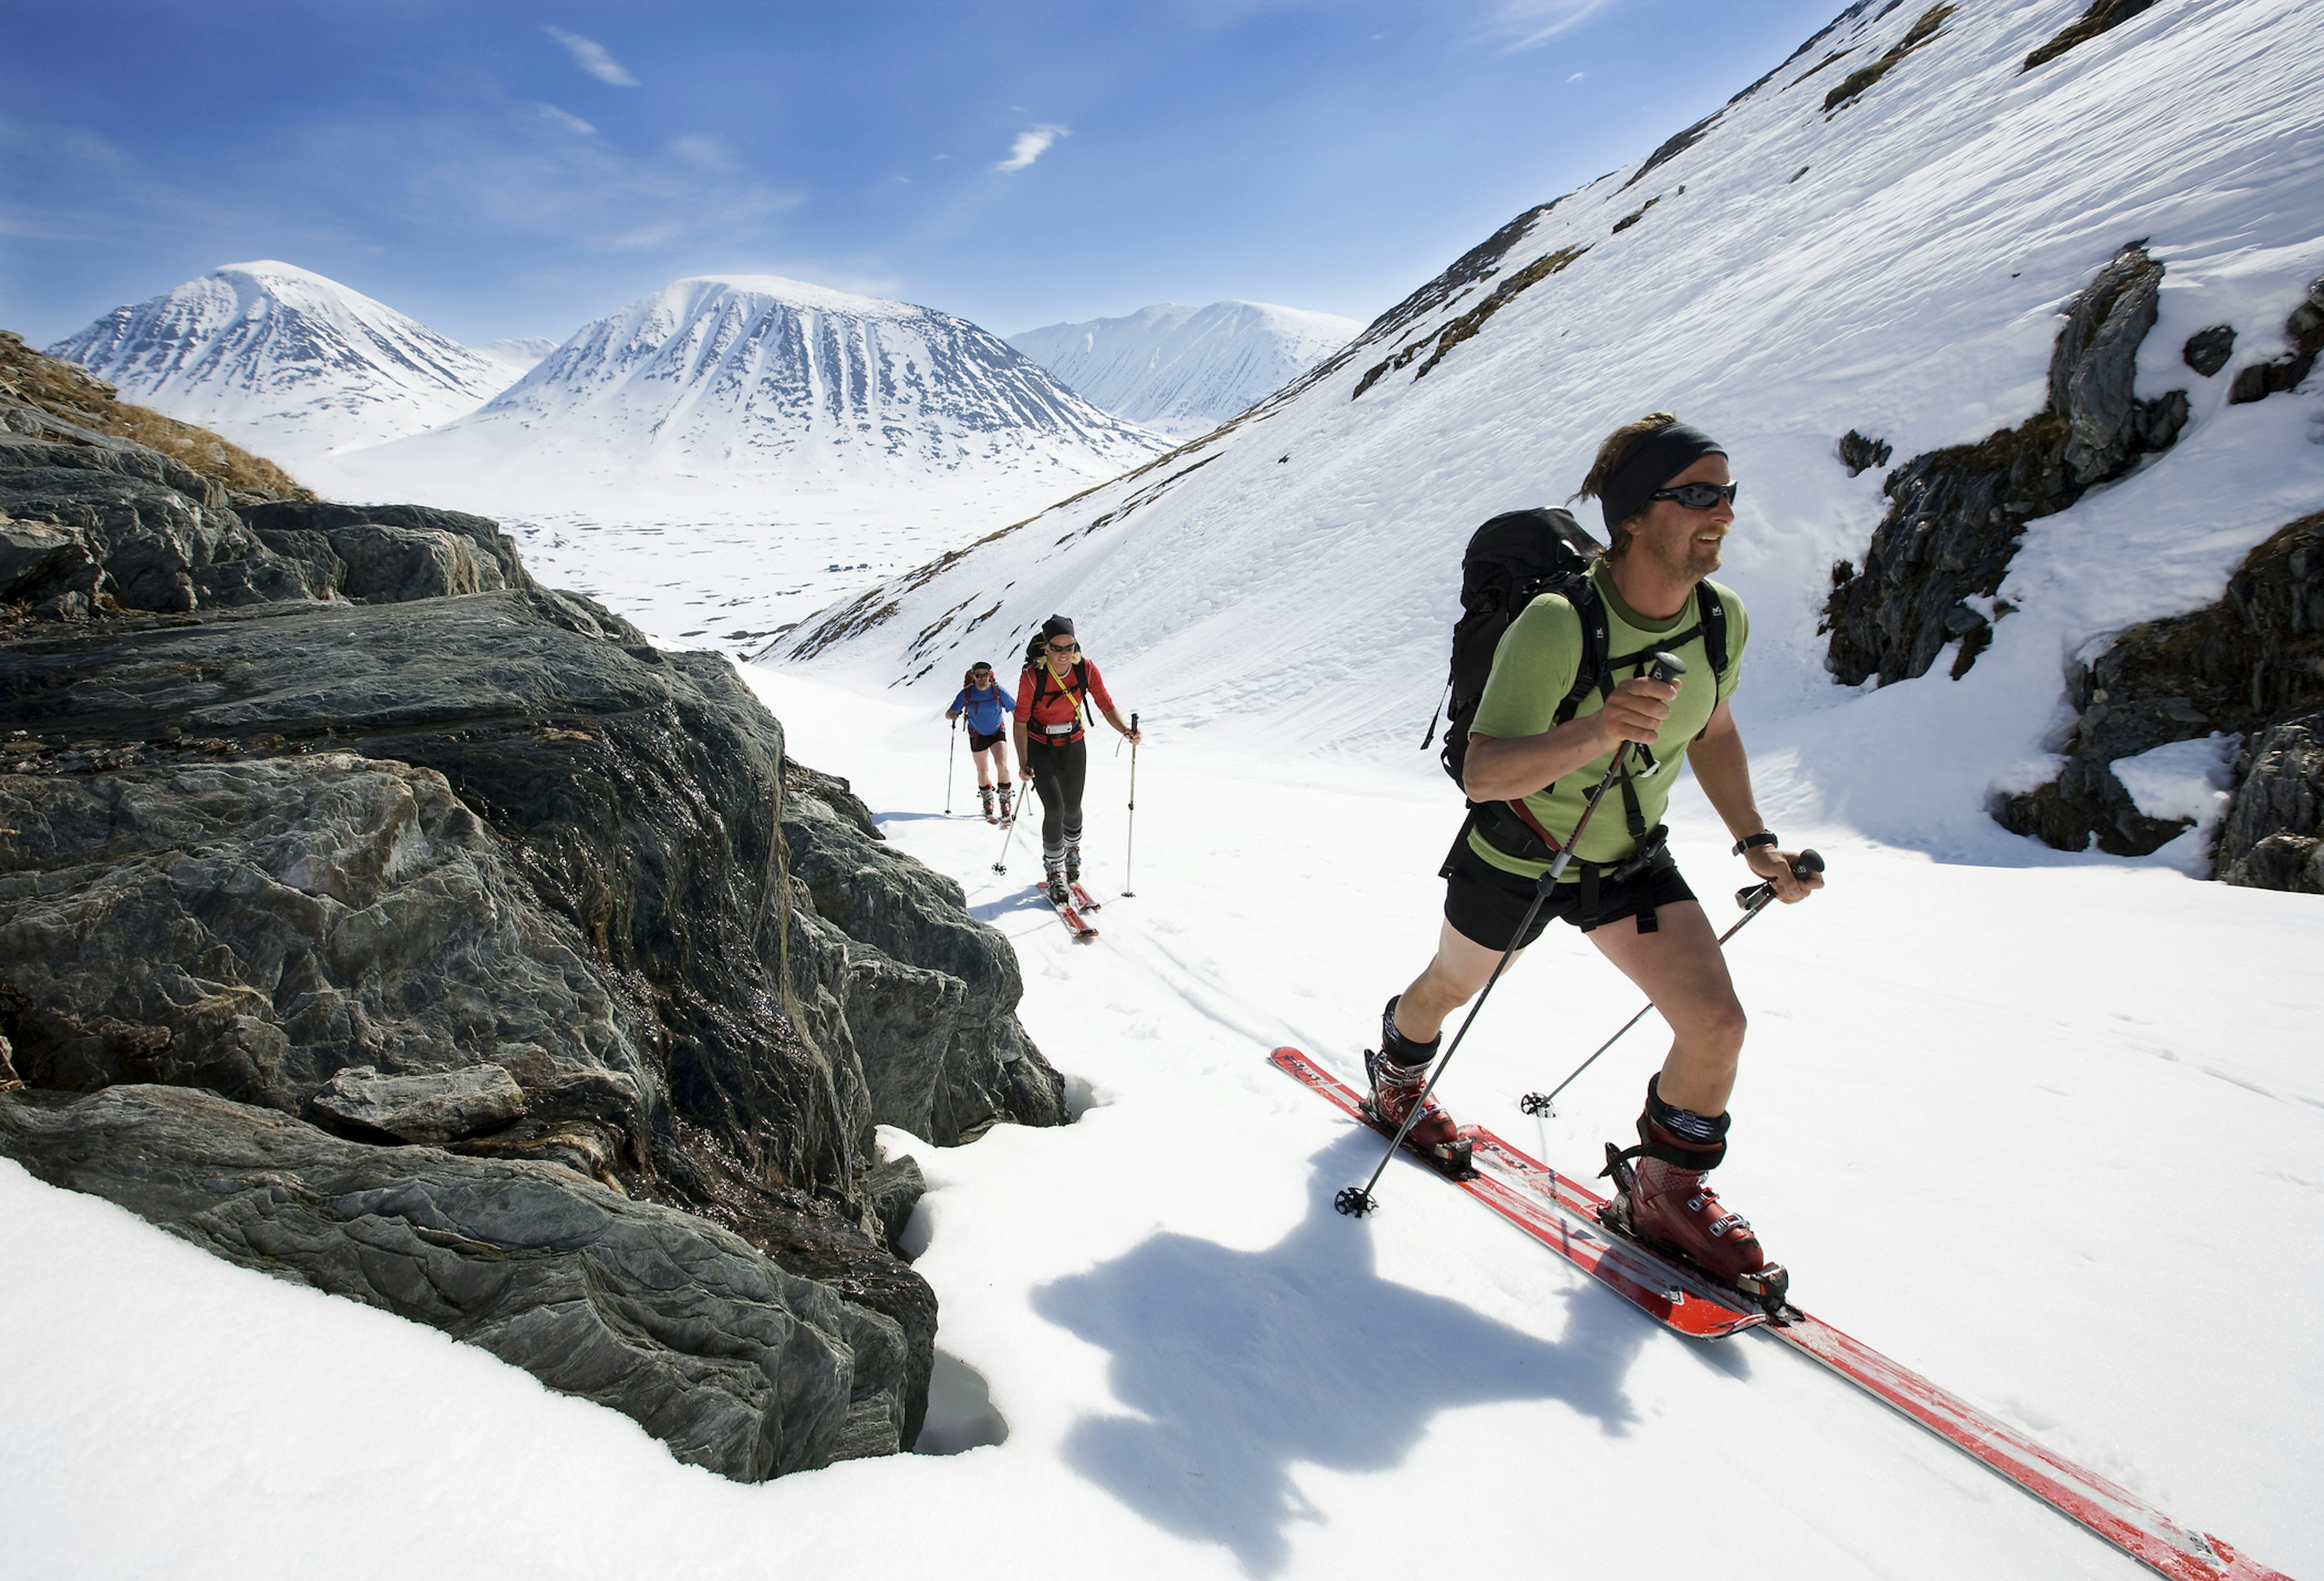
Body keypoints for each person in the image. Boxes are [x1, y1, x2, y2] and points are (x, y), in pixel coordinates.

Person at [1372, 413, 1822, 1281]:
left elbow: (1714, 729)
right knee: (1448, 989)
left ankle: (1666, 1192)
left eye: (1728, 492)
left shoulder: (1719, 620)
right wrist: (1599, 729)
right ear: (1632, 518)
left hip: (1627, 857)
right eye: (1696, 494)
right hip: (1520, 849)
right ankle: (1397, 1068)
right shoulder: (1557, 622)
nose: (1721, 510)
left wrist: (1756, 843)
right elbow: (1484, 772)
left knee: (1716, 1025)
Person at [1012, 614, 1143, 904]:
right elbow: (1020, 721)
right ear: (1046, 648)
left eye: (1069, 647)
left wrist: (1125, 731)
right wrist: (1023, 762)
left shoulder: (1085, 669)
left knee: (1073, 808)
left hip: (1073, 743)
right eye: (1057, 648)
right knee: (1055, 809)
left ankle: (1073, 852)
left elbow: (1106, 705)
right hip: (1039, 745)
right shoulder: (1032, 677)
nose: (1064, 654)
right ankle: (1055, 872)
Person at [945, 662, 1017, 823]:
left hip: (998, 732)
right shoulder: (967, 694)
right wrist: (952, 715)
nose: (983, 679)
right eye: (979, 676)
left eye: (986, 675)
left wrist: (1023, 725)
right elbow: (951, 711)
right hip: (977, 734)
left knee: (1001, 764)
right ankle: (987, 800)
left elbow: (1014, 708)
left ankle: (1005, 801)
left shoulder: (998, 691)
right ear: (973, 676)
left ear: (990, 675)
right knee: (982, 770)